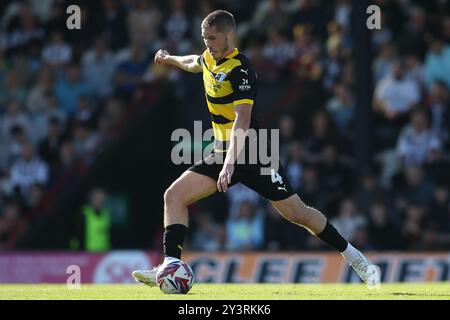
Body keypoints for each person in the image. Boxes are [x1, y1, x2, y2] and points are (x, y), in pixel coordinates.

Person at [132, 10, 380, 287]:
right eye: (204, 39)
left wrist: (229, 164)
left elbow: (243, 119)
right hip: (223, 148)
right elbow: (193, 62)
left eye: (212, 38)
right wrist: (169, 59)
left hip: (255, 151)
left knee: (298, 214)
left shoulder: (240, 69)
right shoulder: (208, 58)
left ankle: (356, 258)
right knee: (174, 196)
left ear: (229, 35)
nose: (208, 44)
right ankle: (170, 266)